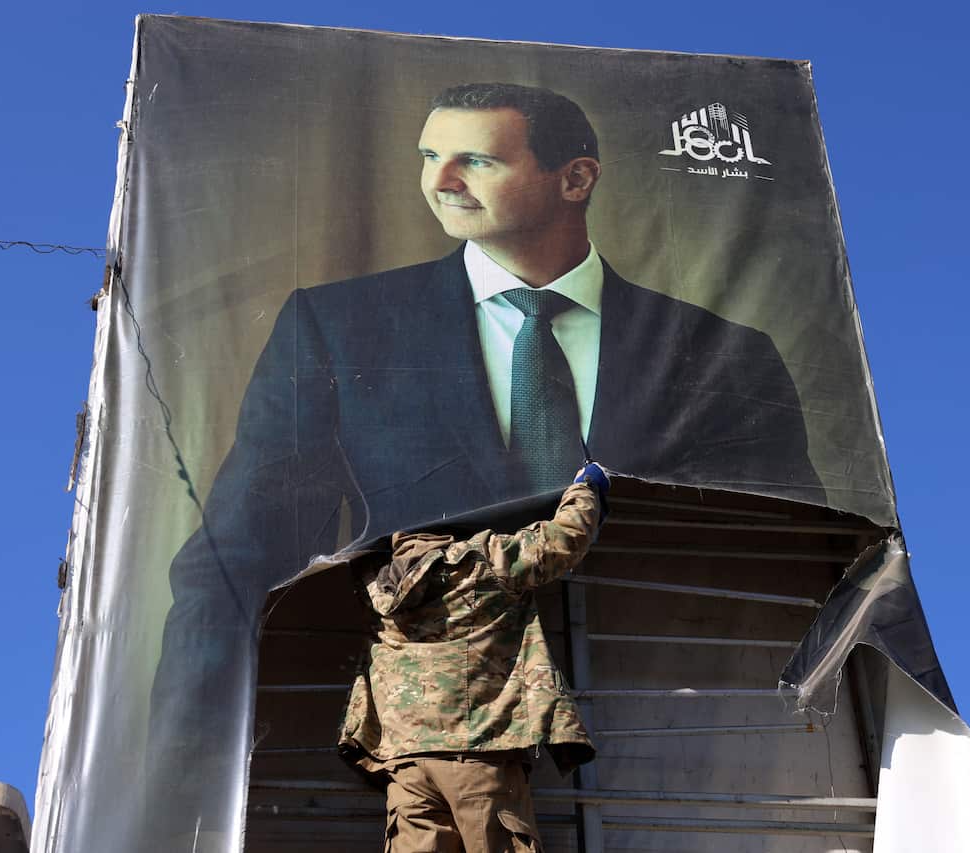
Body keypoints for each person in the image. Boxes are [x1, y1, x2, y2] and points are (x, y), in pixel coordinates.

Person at [148, 82, 823, 841]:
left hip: (683, 786)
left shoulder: (727, 359)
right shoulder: (339, 331)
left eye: (473, 159)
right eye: (430, 156)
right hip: (420, 763)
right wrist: (179, 788)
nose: (438, 181)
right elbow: (228, 569)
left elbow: (798, 578)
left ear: (576, 179)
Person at [339, 464, 609, 852]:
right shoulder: (486, 560)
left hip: (406, 761)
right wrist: (589, 486)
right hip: (479, 754)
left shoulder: (375, 577)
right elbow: (565, 538)